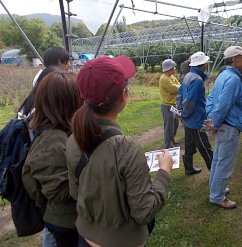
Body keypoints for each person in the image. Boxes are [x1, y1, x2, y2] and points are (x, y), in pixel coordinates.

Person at [65, 56, 173, 247]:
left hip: (85, 239)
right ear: (123, 96)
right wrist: (164, 172)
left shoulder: (73, 139)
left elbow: (75, 192)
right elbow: (144, 212)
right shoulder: (126, 147)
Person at [22, 69, 83, 247]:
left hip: (74, 219)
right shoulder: (51, 141)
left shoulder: (65, 130)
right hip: (65, 225)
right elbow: (58, 191)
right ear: (69, 102)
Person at [204, 46, 242, 209]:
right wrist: (215, 123)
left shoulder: (222, 75)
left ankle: (215, 187)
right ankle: (217, 196)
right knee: (225, 162)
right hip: (229, 126)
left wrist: (212, 121)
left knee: (218, 159)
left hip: (222, 124)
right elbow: (224, 105)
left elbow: (211, 99)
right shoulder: (233, 79)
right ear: (234, 59)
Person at [176, 51, 213, 175]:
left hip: (188, 120)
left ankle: (189, 169)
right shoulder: (197, 79)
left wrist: (180, 109)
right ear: (203, 64)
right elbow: (190, 101)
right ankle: (216, 176)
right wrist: (184, 113)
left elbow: (180, 94)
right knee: (205, 147)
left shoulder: (188, 75)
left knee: (189, 144)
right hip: (196, 120)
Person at [159, 59, 181, 148]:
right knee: (169, 126)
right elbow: (175, 89)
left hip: (174, 104)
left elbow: (178, 85)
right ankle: (168, 144)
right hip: (167, 105)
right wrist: (179, 87)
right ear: (169, 68)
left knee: (175, 123)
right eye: (173, 67)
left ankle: (172, 139)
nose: (175, 68)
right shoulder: (164, 79)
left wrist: (179, 87)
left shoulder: (172, 77)